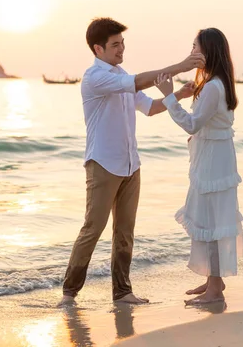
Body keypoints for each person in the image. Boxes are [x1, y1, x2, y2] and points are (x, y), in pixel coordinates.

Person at [59, 17, 205, 306]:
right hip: (102, 164)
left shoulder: (121, 74)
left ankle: (123, 293)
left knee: (125, 232)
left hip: (130, 165)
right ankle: (69, 293)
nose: (121, 49)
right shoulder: (95, 77)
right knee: (93, 228)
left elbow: (150, 108)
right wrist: (181, 65)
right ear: (97, 49)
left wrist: (179, 94)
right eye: (115, 45)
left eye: (122, 43)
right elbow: (138, 81)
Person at [155, 27, 243, 305]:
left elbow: (192, 123)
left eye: (196, 47)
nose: (192, 52)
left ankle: (214, 289)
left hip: (212, 163)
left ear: (207, 51)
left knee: (210, 222)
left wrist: (169, 96)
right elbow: (207, 125)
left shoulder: (212, 87)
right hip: (217, 158)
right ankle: (213, 282)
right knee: (214, 220)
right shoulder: (219, 83)